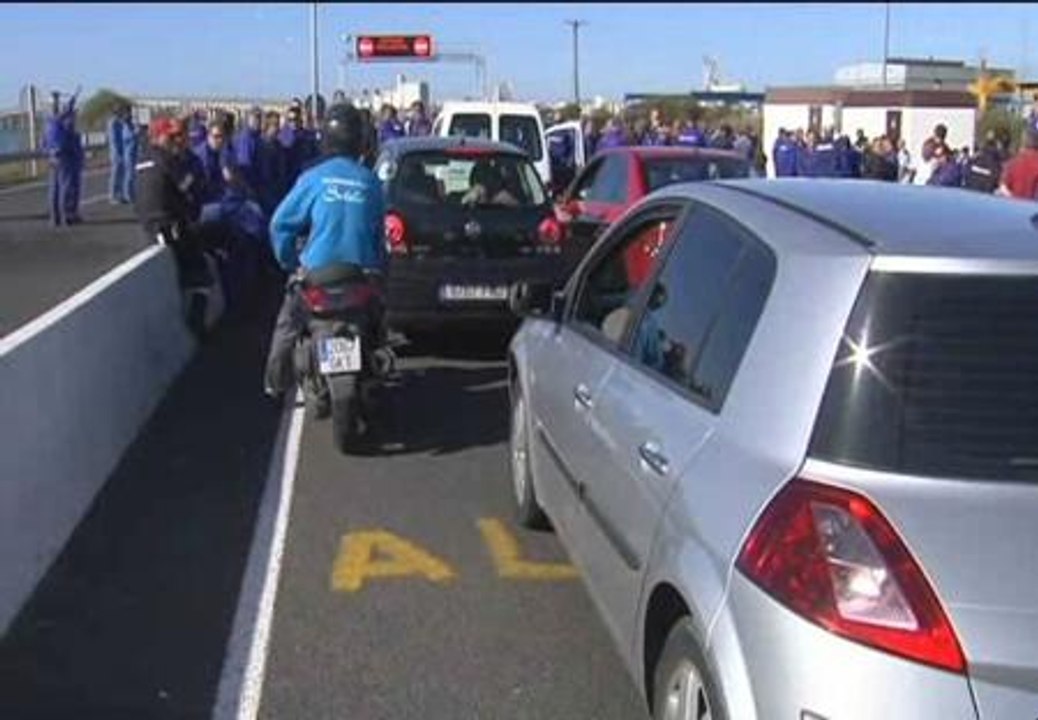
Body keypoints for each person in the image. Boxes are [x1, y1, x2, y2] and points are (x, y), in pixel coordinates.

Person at [263, 102, 387, 397]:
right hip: (361, 275)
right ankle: (377, 362)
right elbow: (379, 234)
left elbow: (280, 225)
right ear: (360, 139)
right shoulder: (371, 182)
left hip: (318, 274)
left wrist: (290, 263)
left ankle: (275, 383)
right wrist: (378, 267)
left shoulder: (313, 178)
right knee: (379, 319)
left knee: (287, 325)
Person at [134, 117, 213, 335]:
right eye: (170, 137)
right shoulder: (166, 159)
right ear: (159, 137)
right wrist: (195, 180)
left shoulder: (142, 159)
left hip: (147, 226)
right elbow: (188, 186)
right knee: (201, 271)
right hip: (169, 227)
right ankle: (197, 321)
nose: (175, 141)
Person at [997, 127, 1038, 200]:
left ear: (1023, 142)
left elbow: (1003, 187)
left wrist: (1013, 200)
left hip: (1015, 204)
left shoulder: (1013, 162)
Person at [234, 107, 264, 194]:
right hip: (249, 186)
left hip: (257, 184)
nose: (257, 121)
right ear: (248, 119)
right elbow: (244, 166)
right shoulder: (246, 138)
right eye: (255, 118)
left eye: (259, 118)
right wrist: (249, 189)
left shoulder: (257, 137)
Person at [108, 106, 127, 204]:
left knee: (121, 175)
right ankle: (113, 196)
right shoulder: (113, 123)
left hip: (122, 151)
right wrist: (117, 153)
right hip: (116, 153)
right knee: (115, 175)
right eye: (120, 111)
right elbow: (113, 140)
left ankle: (120, 194)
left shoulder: (120, 123)